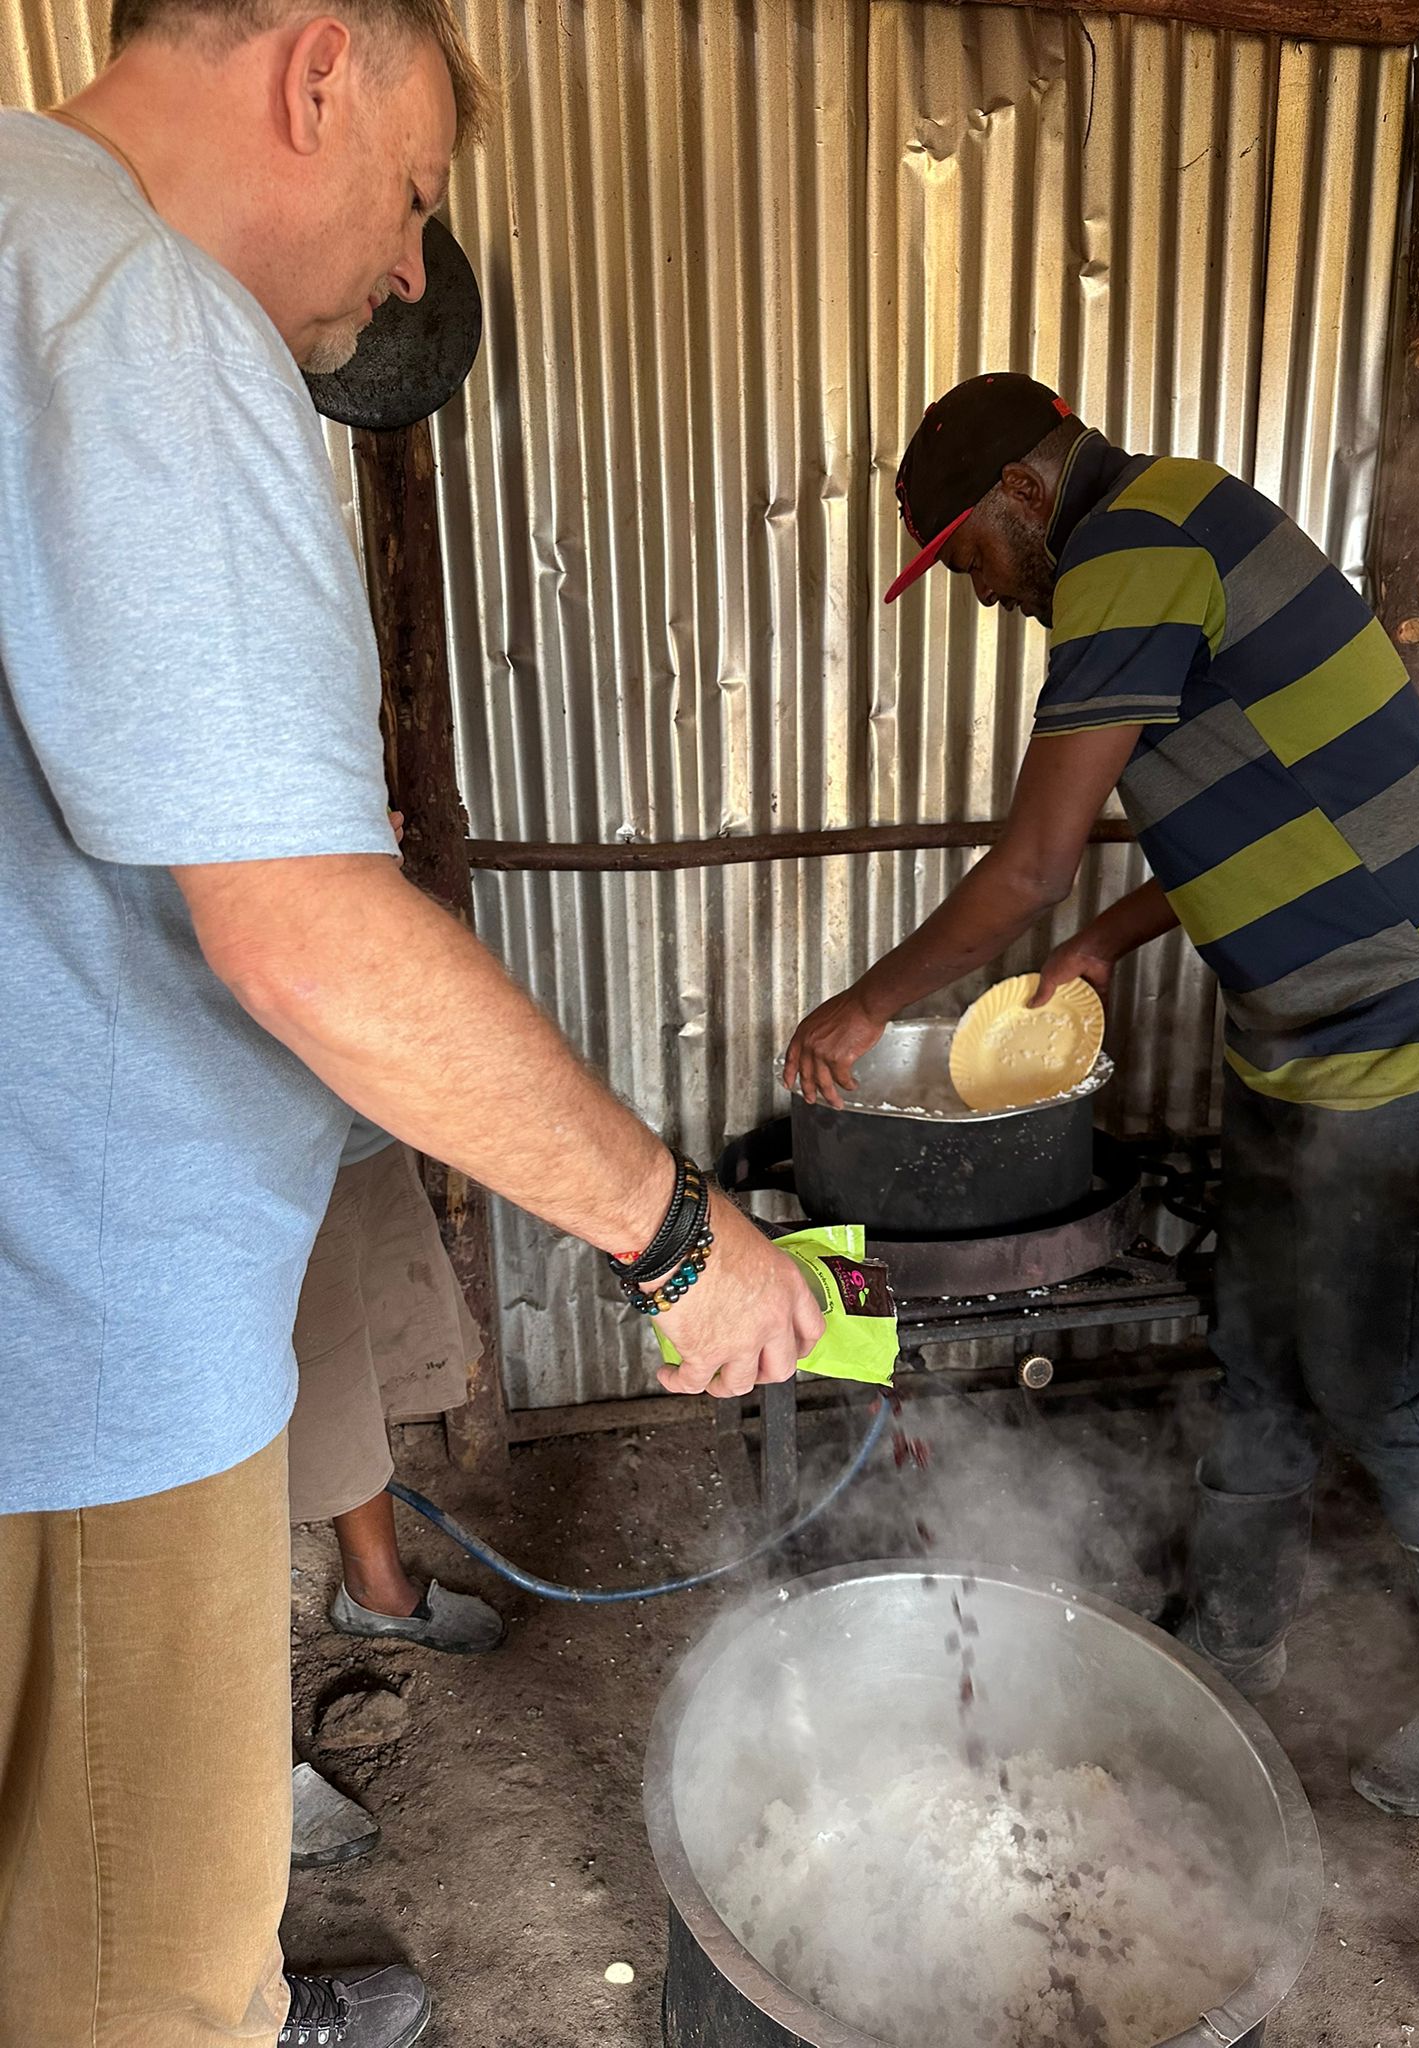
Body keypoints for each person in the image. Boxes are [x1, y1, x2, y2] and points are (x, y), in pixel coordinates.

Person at [0, 6, 821, 2047]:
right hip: (79, 1357)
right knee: (136, 1973)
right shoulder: (143, 312)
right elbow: (303, 938)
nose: (402, 266)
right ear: (314, 74)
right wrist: (677, 1230)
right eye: (421, 193)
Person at [788, 371, 1419, 1820]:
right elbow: (1258, 788)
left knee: (1379, 1371)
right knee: (1257, 1342)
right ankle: (1232, 1647)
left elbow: (1027, 861)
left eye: (968, 556)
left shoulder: (1129, 555)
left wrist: (871, 1002)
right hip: (1302, 1029)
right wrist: (1105, 940)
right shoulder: (1178, 522)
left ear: (1024, 492)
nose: (981, 592)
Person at [290, 1111, 502, 1873]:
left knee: (348, 1361)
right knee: (212, 1432)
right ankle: (234, 1772)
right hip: (204, 1158)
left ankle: (375, 1590)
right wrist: (672, 1237)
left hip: (336, 1128)